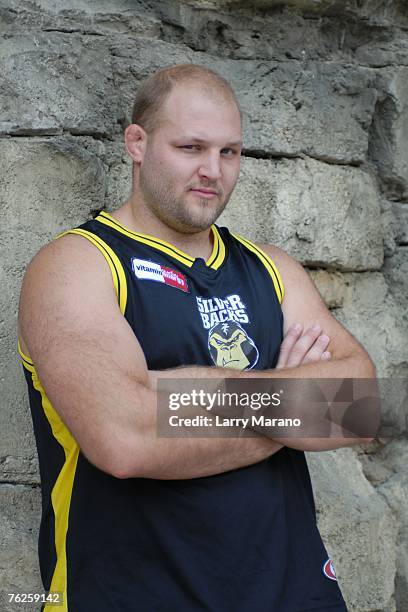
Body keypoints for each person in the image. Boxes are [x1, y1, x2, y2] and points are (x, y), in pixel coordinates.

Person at [18, 64, 375, 612]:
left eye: (230, 152)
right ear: (137, 143)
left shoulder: (271, 269)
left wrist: (179, 396)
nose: (213, 170)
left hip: (294, 594)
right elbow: (125, 439)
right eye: (191, 147)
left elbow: (358, 407)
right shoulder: (77, 266)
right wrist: (291, 406)